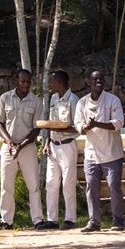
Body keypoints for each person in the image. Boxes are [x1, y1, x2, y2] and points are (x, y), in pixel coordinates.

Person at [0, 68, 45, 231]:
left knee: (34, 185)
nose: (26, 85)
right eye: (23, 81)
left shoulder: (36, 101)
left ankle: (38, 220)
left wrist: (21, 145)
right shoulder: (5, 98)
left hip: (27, 148)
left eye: (28, 82)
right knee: (6, 185)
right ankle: (6, 221)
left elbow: (37, 128)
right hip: (8, 148)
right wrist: (9, 142)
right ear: (16, 81)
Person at [76, 70, 125, 232]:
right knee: (91, 187)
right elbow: (78, 125)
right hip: (91, 153)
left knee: (114, 187)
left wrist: (96, 124)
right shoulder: (82, 103)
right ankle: (94, 221)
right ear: (88, 82)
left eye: (101, 79)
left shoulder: (113, 100)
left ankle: (118, 221)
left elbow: (118, 123)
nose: (99, 81)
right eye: (95, 79)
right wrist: (86, 127)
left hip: (112, 153)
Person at [41, 70, 80, 230]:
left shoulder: (73, 100)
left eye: (52, 81)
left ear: (60, 82)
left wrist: (64, 128)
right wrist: (46, 142)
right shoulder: (53, 98)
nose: (50, 84)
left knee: (68, 183)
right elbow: (50, 123)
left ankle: (70, 218)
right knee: (51, 182)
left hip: (67, 145)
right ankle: (52, 219)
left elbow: (78, 127)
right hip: (53, 145)